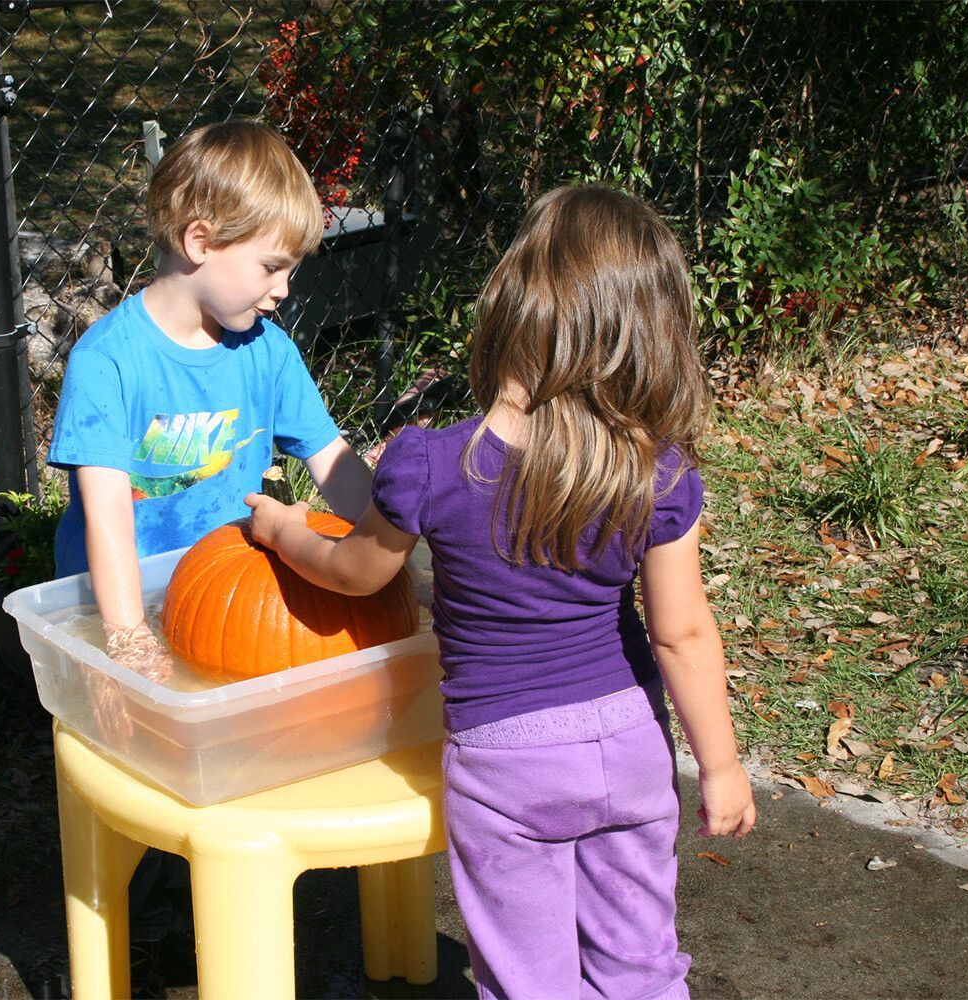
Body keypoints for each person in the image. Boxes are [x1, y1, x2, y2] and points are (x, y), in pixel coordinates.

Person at [245, 184, 757, 1000]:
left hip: (507, 762)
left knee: (531, 981)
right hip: (629, 747)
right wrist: (721, 766)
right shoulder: (659, 476)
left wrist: (281, 530)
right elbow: (681, 636)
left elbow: (354, 572)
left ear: (512, 306)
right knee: (643, 967)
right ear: (649, 332)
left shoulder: (431, 463)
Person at [46, 119, 374, 971]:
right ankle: (148, 882)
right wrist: (122, 641)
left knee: (243, 744)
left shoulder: (266, 352)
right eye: (273, 266)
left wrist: (391, 535)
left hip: (231, 590)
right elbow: (106, 517)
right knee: (140, 765)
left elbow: (331, 459)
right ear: (200, 241)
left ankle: (233, 871)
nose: (284, 290)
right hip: (127, 594)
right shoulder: (110, 362)